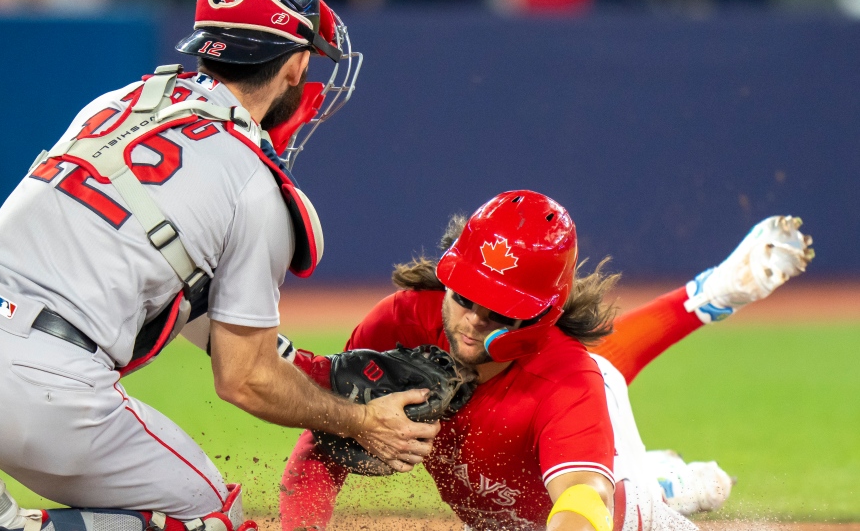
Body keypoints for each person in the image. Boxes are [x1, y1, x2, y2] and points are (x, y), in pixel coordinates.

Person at [0, 0, 437, 531]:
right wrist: (359, 421)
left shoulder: (116, 105)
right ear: (294, 64)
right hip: (42, 384)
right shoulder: (255, 186)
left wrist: (315, 370)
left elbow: (169, 286)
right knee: (211, 520)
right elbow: (244, 379)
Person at [278, 190, 814, 531]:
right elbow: (321, 445)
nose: (469, 321)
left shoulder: (567, 378)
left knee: (613, 439)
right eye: (462, 296)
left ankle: (659, 487)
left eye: (498, 312)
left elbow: (581, 505)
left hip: (611, 515)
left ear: (540, 315)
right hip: (505, 511)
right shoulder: (400, 322)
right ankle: (660, 472)